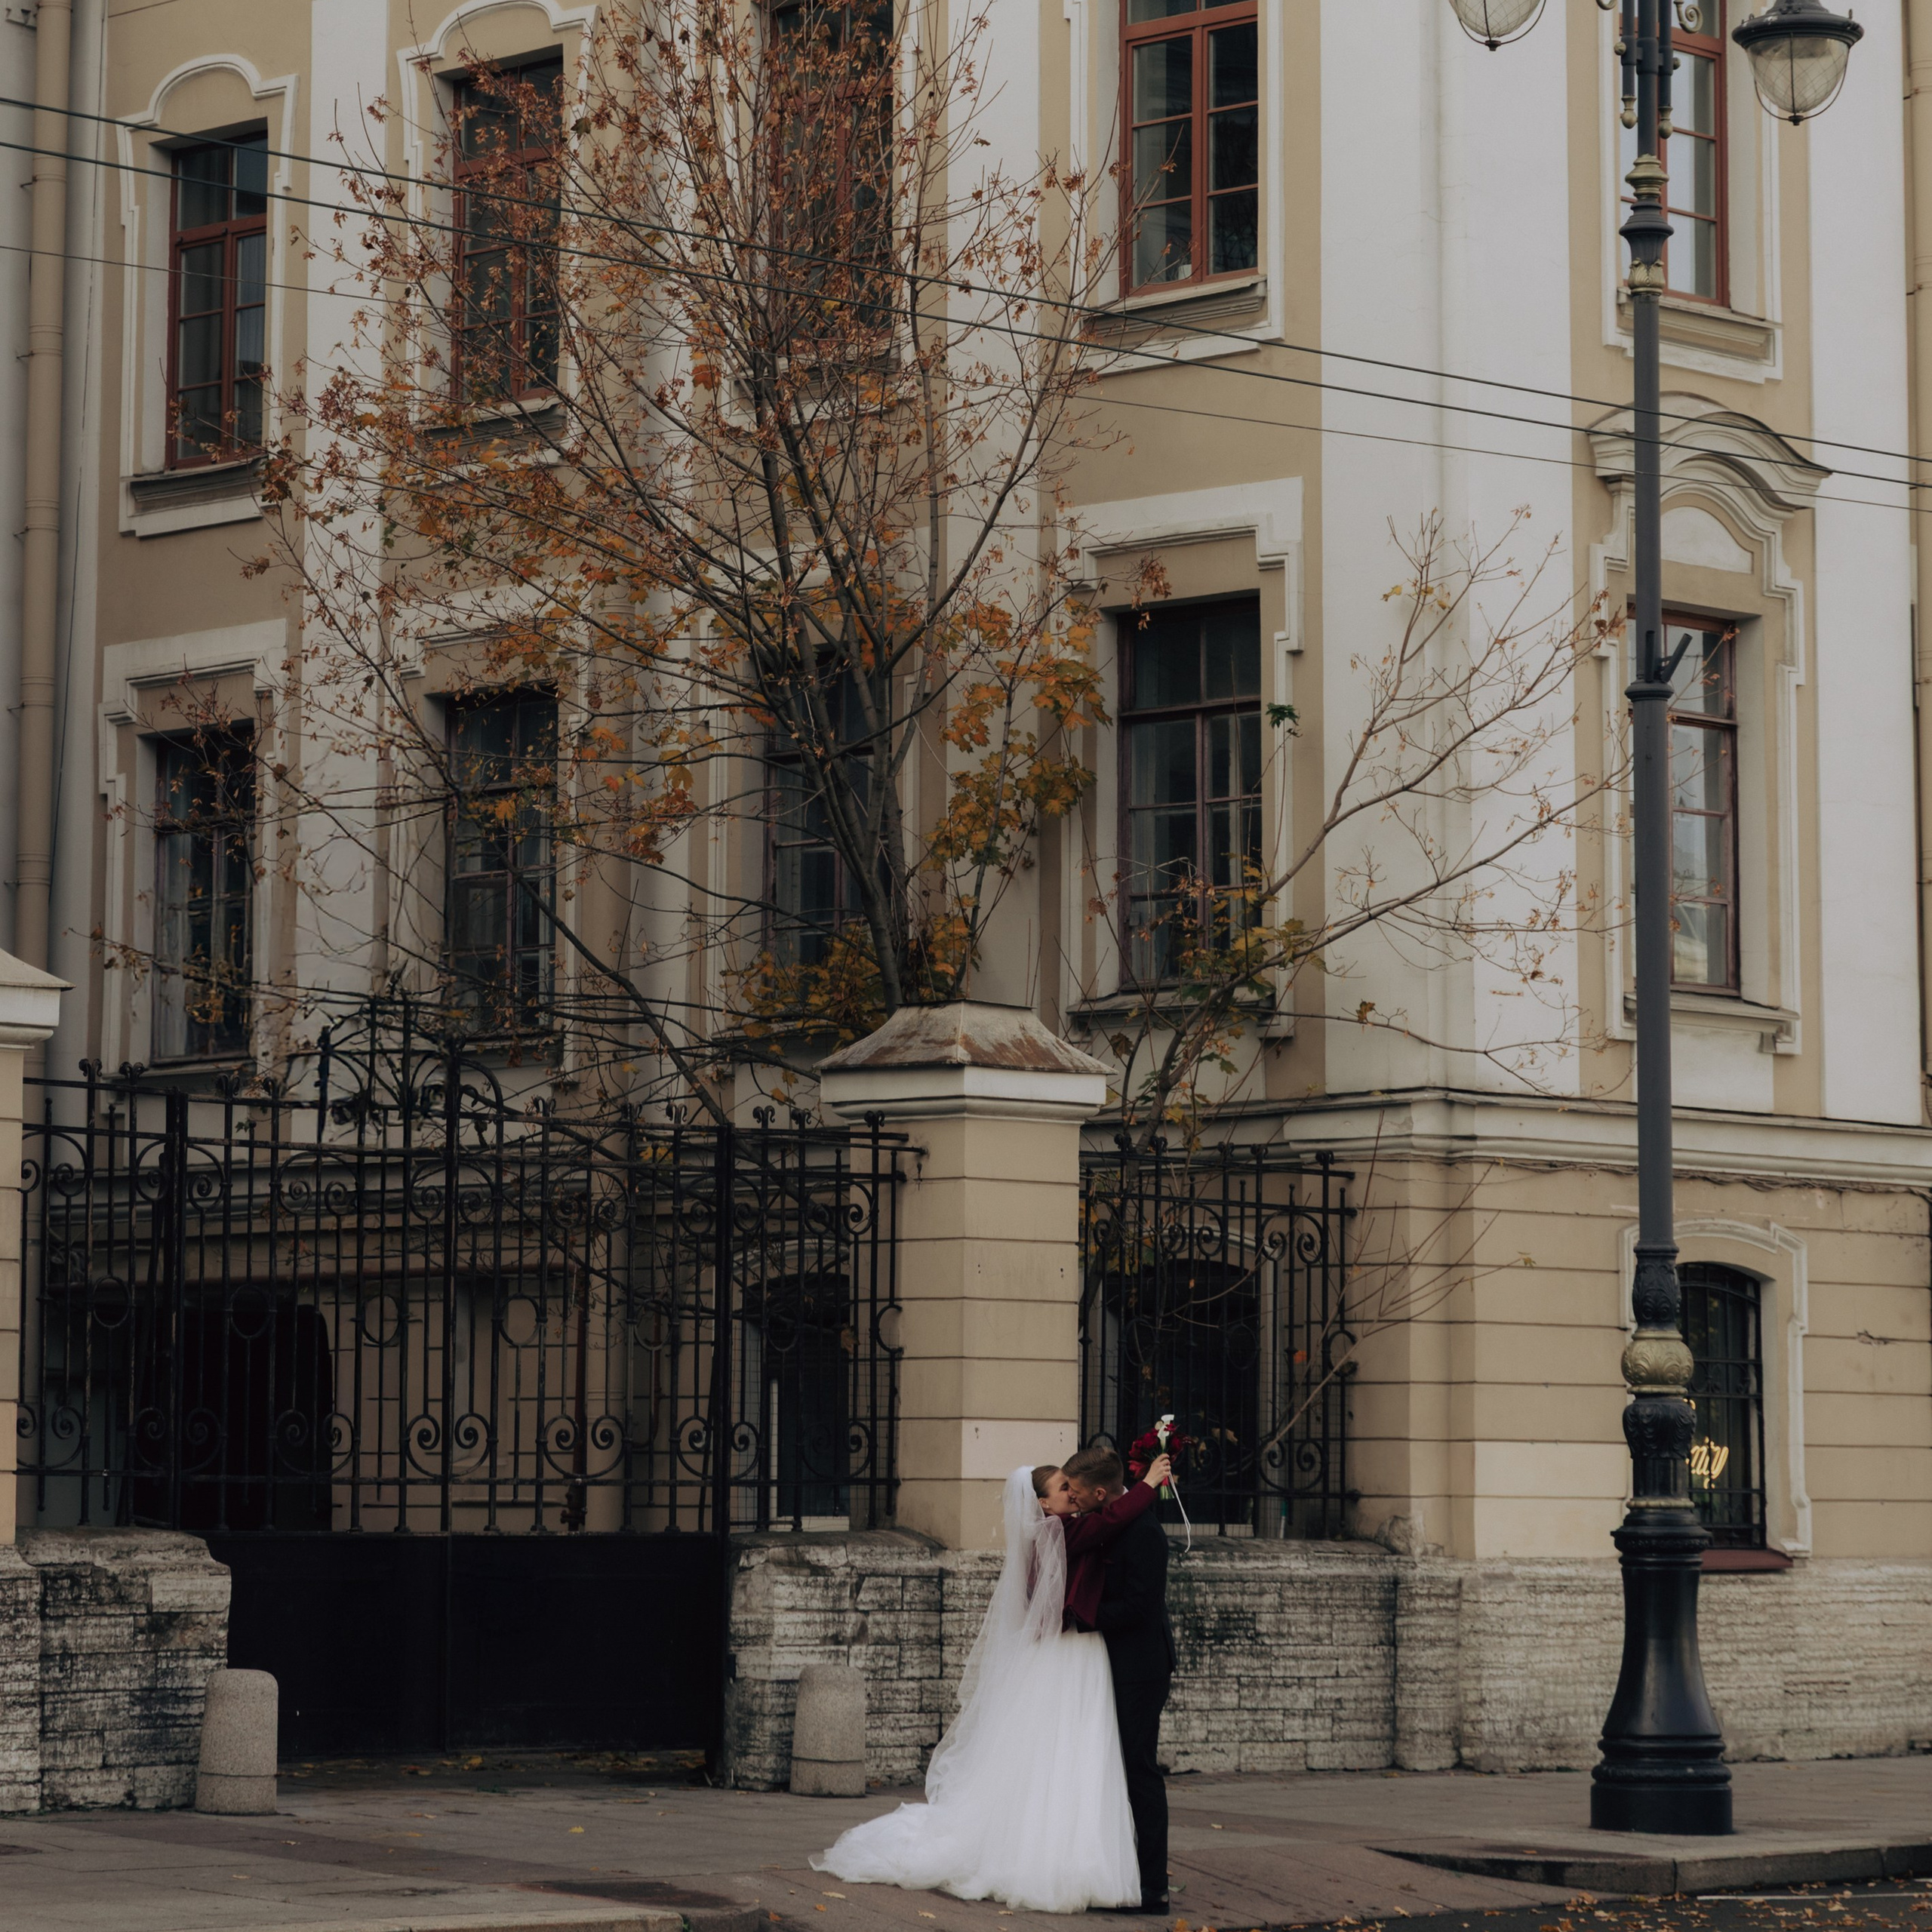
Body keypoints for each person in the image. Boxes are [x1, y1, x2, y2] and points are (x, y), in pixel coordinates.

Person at [811, 1455, 1171, 1915]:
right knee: (1071, 1757)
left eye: (1072, 1487)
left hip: (1080, 1655)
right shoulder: (1056, 1531)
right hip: (1072, 1653)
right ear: (1041, 1503)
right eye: (1064, 1489)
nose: (1072, 1495)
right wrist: (1150, 1485)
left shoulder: (1061, 1528)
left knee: (1076, 1757)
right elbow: (1111, 1519)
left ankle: (1100, 1862)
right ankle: (1075, 1861)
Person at [1063, 1444, 1177, 1917]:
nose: (1071, 1498)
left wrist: (1080, 1618)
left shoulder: (1146, 1533)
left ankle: (1154, 1890)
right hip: (1115, 1663)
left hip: (1141, 1669)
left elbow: (1139, 1607)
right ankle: (1119, 1870)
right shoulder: (1107, 1519)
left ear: (1102, 1493)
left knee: (1139, 1771)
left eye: (1076, 1492)